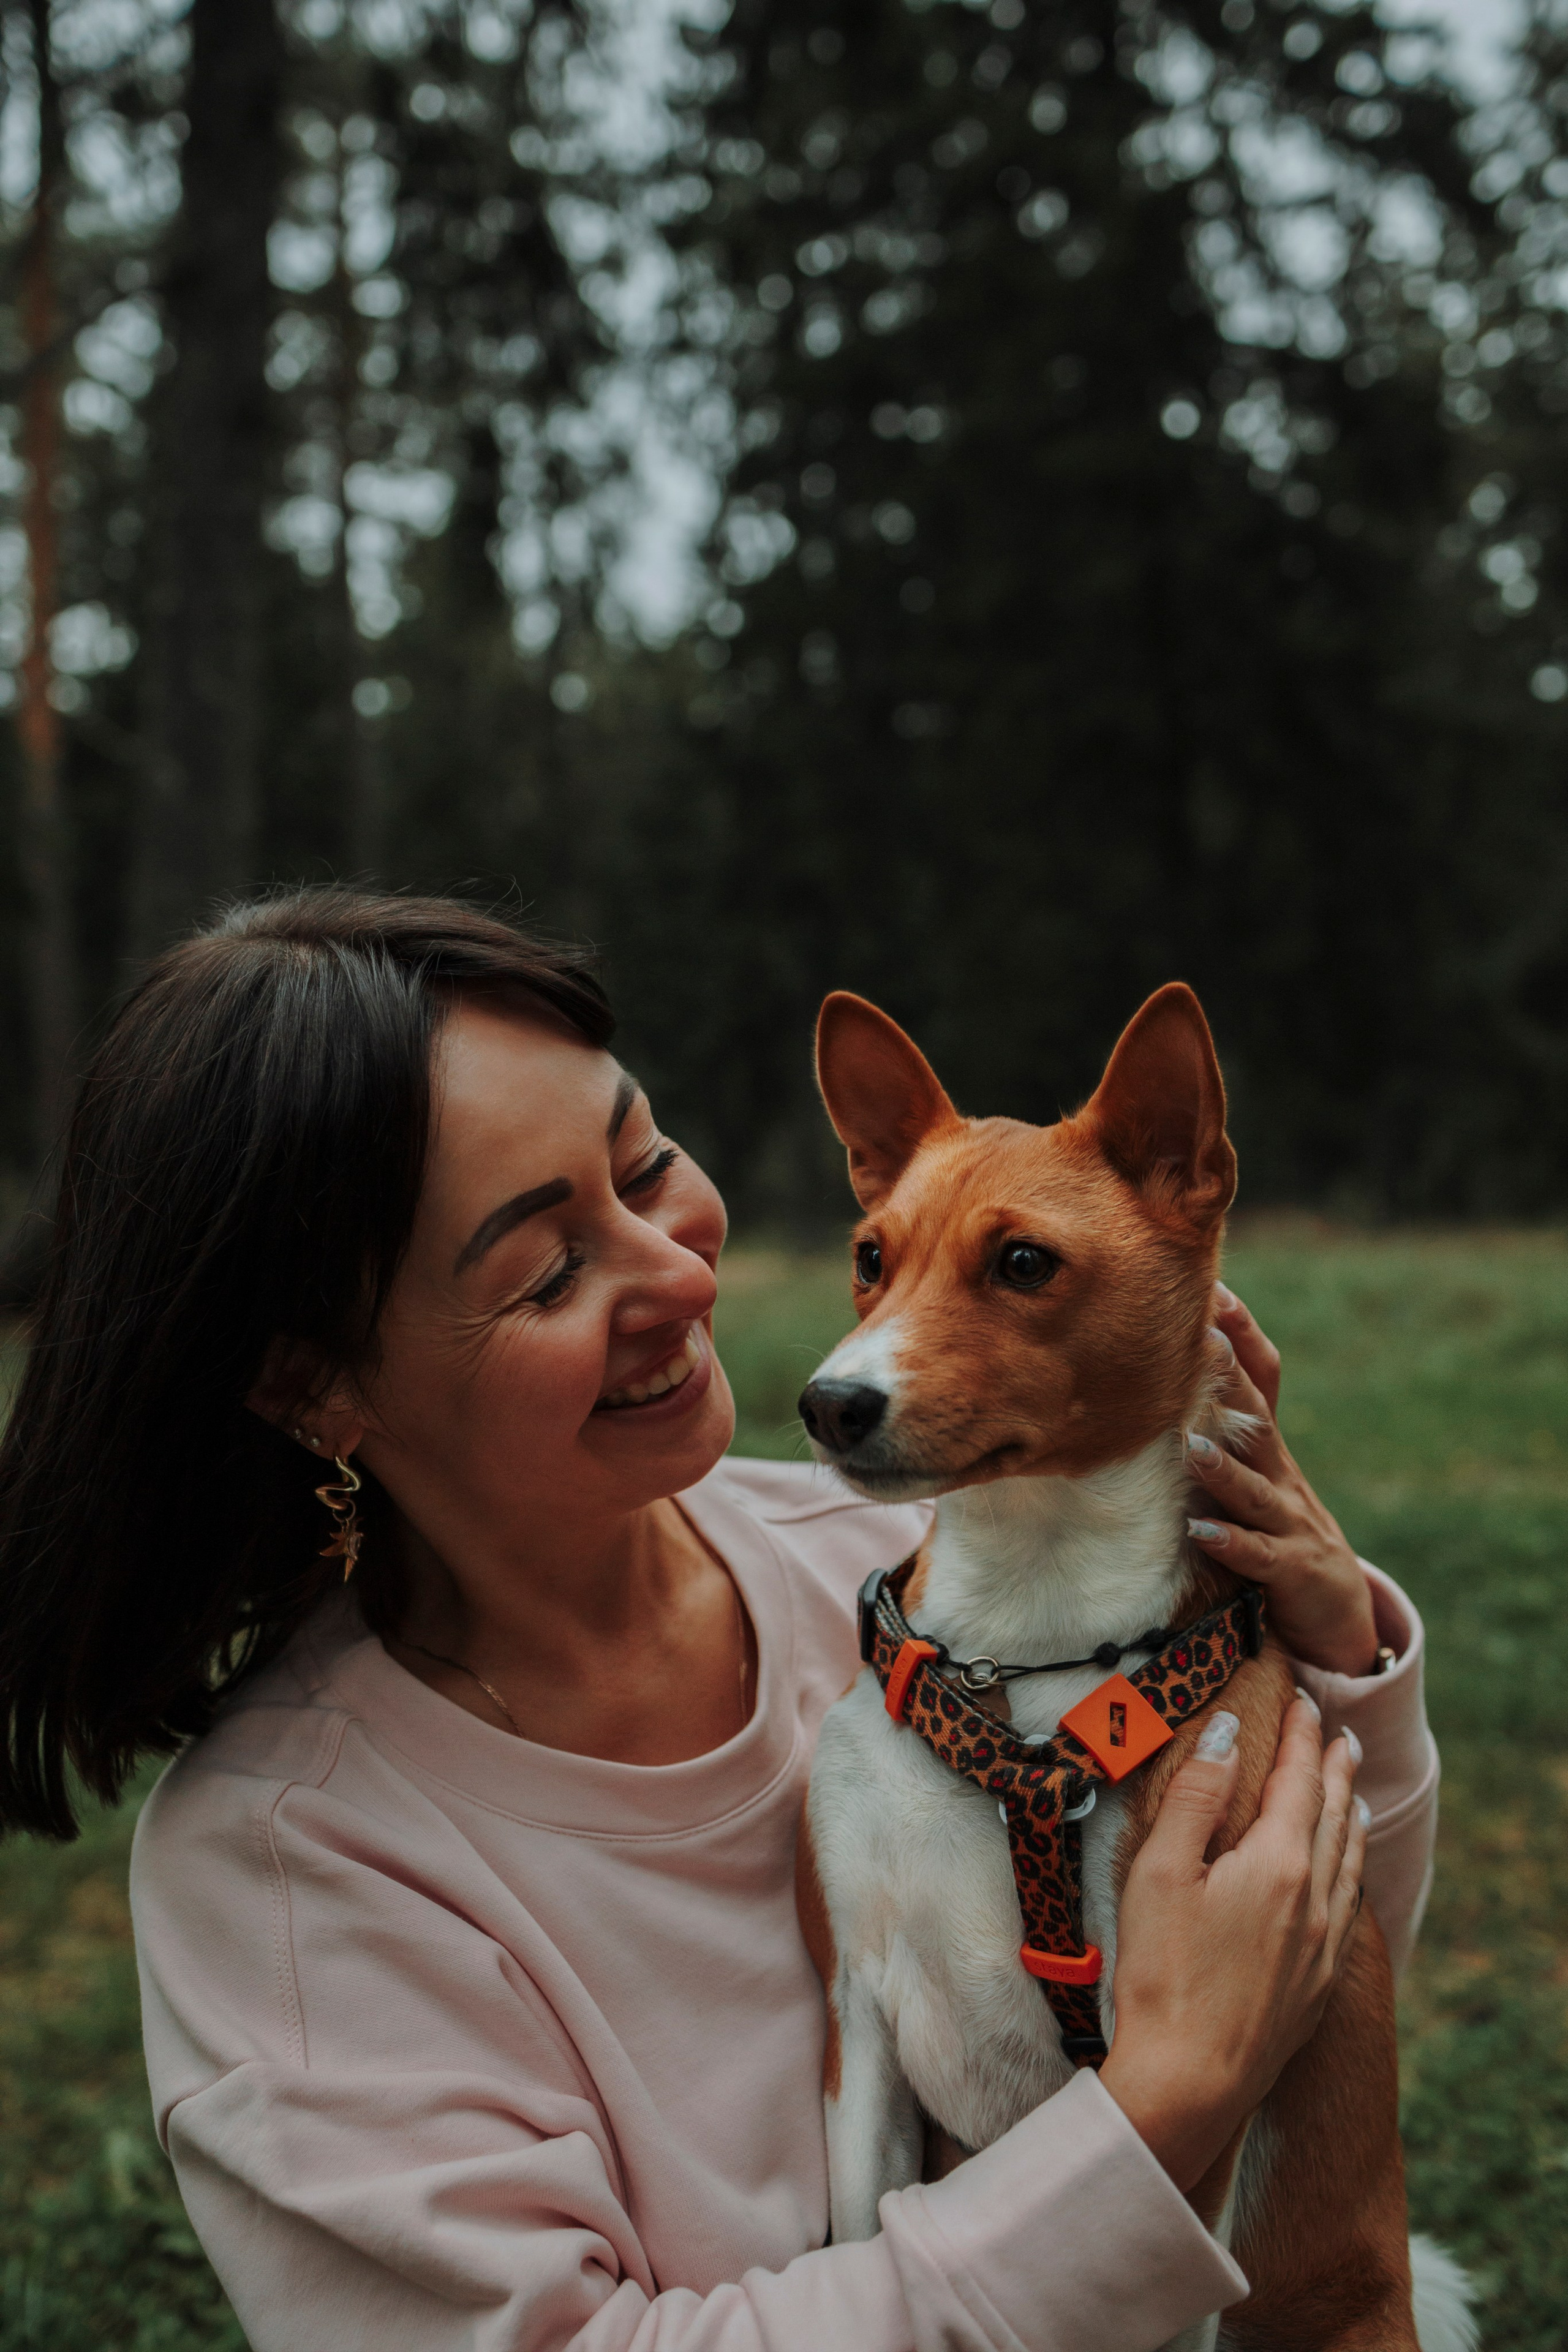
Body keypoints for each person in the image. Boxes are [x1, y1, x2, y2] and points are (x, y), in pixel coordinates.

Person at [0, 892, 1438, 2352]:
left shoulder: (911, 1560)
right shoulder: (292, 1876)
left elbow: (1297, 2010)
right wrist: (1157, 2113)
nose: (685, 1273)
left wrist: (1335, 1664)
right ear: (313, 1385)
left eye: (646, 1164)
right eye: (547, 1269)